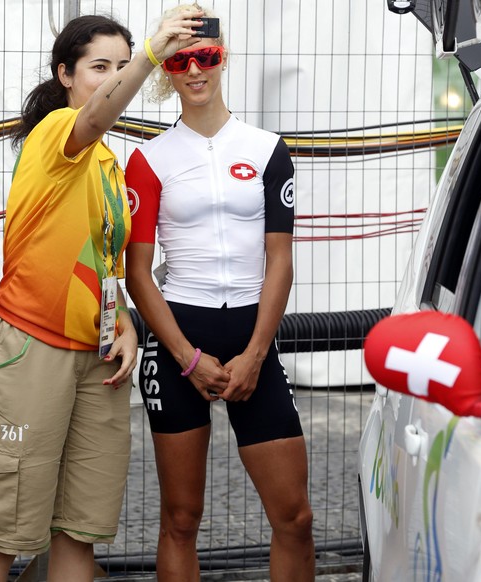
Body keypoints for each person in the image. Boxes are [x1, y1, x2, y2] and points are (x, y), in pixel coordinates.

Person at [0, 10, 206, 582]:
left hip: (98, 360)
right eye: (100, 67)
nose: (115, 77)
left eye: (122, 66)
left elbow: (102, 261)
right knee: (3, 533)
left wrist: (123, 321)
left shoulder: (107, 163)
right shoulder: (57, 132)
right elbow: (96, 115)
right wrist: (149, 53)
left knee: (81, 531)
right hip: (33, 348)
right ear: (65, 74)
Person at [124, 4, 315, 581]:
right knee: (181, 519)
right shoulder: (148, 158)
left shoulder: (266, 148)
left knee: (295, 517)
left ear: (222, 57)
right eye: (181, 60)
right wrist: (186, 357)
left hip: (251, 336)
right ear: (167, 69)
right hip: (180, 337)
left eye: (206, 56)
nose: (195, 70)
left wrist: (257, 354)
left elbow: (279, 260)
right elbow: (138, 271)